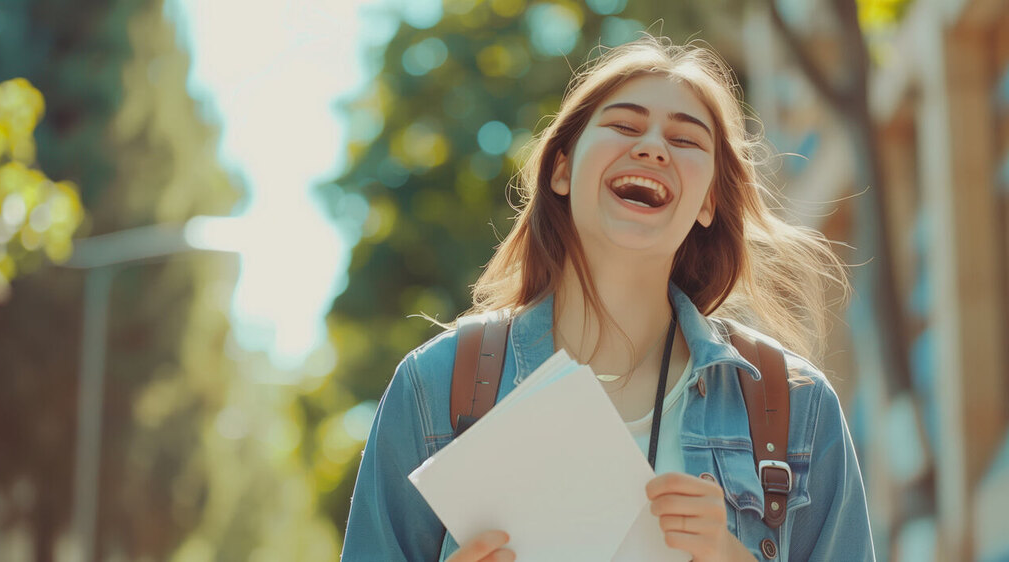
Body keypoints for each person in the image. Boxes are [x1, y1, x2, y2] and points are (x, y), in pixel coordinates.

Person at [341, 35, 875, 561]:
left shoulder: (795, 407)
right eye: (624, 125)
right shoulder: (436, 385)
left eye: (686, 140)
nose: (652, 147)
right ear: (562, 169)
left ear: (709, 201)